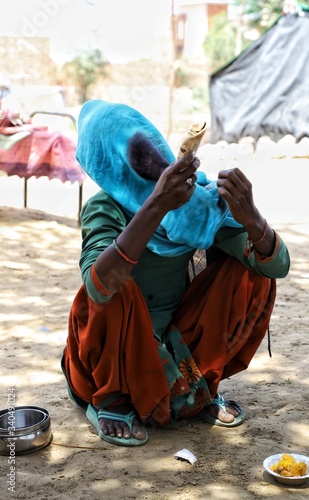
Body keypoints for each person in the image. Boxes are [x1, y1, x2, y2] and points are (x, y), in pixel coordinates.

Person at [61, 100, 290, 447]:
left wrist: (253, 219)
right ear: (106, 162)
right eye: (135, 154)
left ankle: (200, 386)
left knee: (247, 270)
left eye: (148, 147)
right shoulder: (104, 207)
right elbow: (97, 289)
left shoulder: (192, 201)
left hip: (176, 340)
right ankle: (112, 400)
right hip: (113, 358)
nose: (149, 159)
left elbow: (276, 267)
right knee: (112, 282)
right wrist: (156, 205)